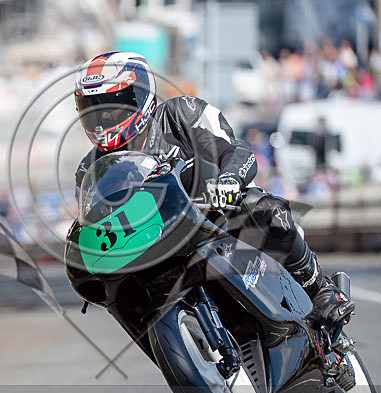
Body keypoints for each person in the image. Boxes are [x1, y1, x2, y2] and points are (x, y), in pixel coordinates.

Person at [72, 51, 355, 328]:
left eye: (112, 107)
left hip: (215, 219)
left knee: (265, 209)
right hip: (156, 248)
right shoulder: (90, 169)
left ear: (140, 95)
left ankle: (320, 289)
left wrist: (229, 179)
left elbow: (236, 151)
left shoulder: (182, 113)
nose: (103, 119)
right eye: (93, 109)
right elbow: (94, 224)